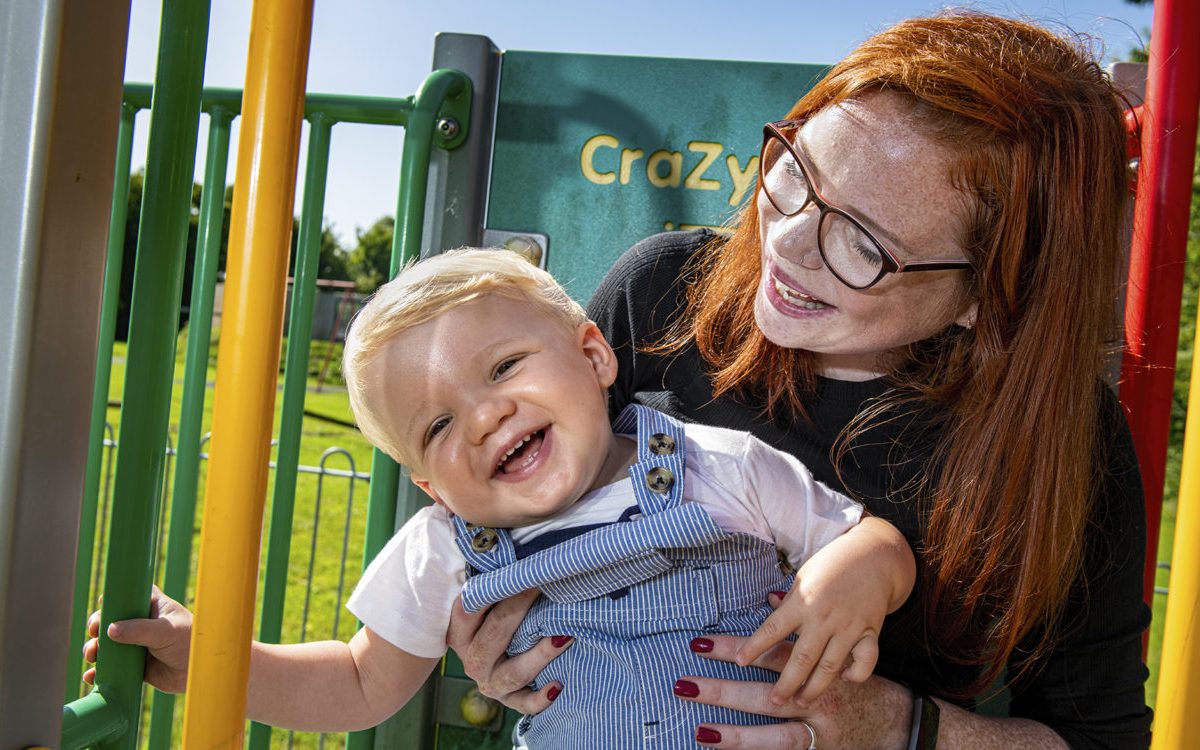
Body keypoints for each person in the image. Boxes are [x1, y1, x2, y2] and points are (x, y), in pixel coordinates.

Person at [445, 11, 1153, 750]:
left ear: (990, 296)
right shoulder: (661, 293)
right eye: (797, 171)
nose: (788, 242)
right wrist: (498, 633)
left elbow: (1103, 739)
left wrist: (906, 727)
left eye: (863, 242)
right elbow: (508, 520)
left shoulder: (1062, 444)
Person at [83, 249, 915, 747]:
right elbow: (357, 685)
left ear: (594, 355)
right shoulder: (443, 549)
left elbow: (866, 539)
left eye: (504, 368)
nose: (486, 419)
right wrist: (213, 664)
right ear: (426, 482)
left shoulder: (719, 466)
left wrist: (858, 575)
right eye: (439, 424)